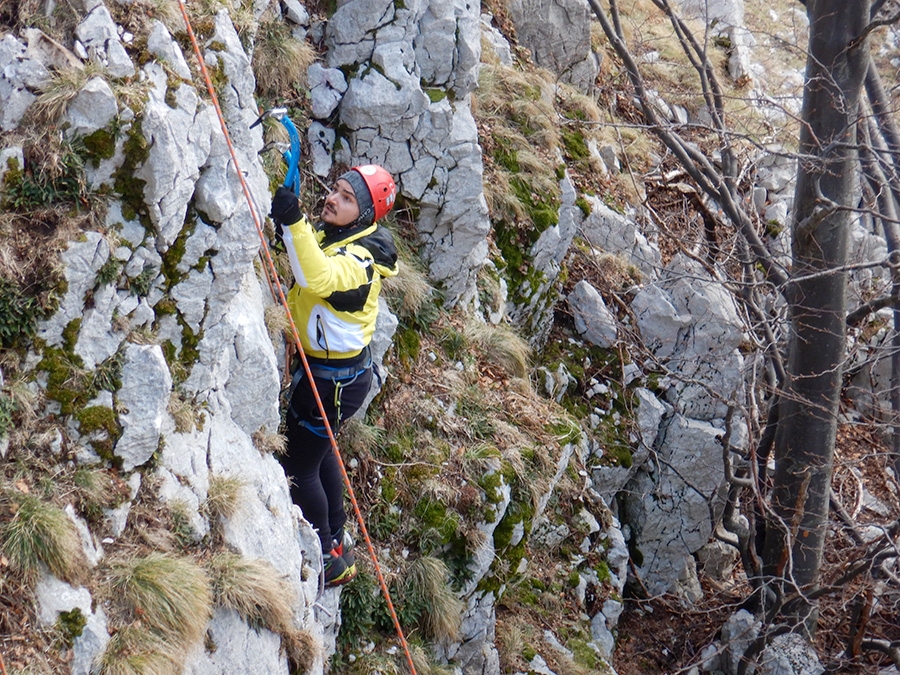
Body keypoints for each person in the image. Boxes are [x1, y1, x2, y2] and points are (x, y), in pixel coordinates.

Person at [269, 164, 398, 587]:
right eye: (336, 190)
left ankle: (325, 557)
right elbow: (308, 257)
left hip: (331, 382)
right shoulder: (341, 236)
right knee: (322, 453)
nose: (333, 199)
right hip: (340, 377)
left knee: (298, 465)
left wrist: (294, 222)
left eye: (346, 198)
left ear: (363, 214)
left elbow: (318, 277)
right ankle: (338, 538)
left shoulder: (361, 261)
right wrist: (292, 232)